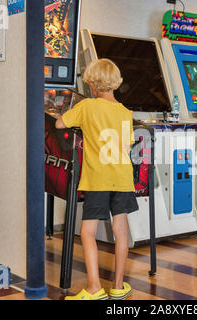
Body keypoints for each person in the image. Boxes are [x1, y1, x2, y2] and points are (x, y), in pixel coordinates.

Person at [56, 59, 138, 300]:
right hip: (122, 178)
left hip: (98, 179)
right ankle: (119, 286)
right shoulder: (125, 112)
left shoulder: (88, 107)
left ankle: (94, 287)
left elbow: (60, 123)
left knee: (88, 232)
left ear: (93, 84)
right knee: (121, 232)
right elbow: (126, 145)